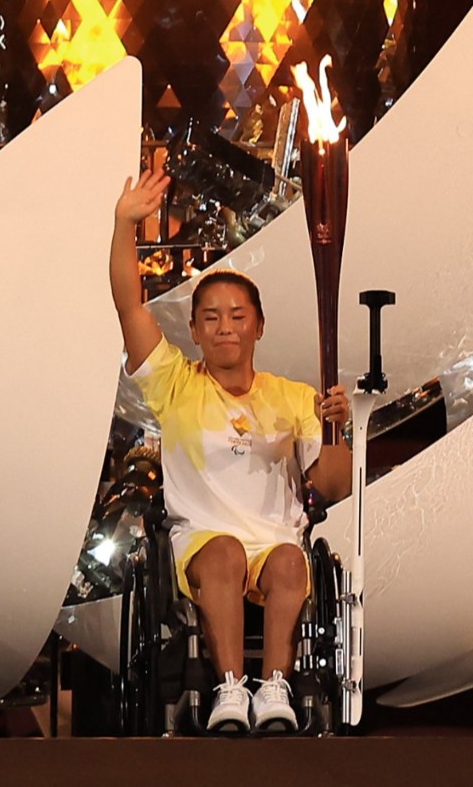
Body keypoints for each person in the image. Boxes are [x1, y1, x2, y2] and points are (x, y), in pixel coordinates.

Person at [110, 148, 351, 734]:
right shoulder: (174, 383)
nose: (225, 327)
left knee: (293, 559)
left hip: (275, 545)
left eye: (238, 315)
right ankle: (229, 690)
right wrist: (125, 225)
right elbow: (128, 304)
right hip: (203, 544)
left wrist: (337, 429)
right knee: (224, 553)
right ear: (192, 330)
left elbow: (333, 488)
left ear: (259, 325)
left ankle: (274, 690)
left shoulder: (295, 397)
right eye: (211, 317)